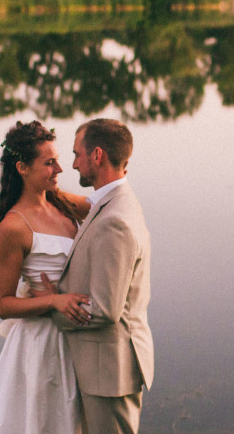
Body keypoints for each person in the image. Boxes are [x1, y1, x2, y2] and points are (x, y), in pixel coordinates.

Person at [0, 120, 93, 434]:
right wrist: (54, 300)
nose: (60, 169)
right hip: (41, 346)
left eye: (57, 160)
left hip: (76, 336)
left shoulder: (62, 203)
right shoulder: (13, 227)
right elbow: (3, 305)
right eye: (49, 162)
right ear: (22, 168)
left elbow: (110, 208)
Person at [43, 118, 154, 434]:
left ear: (97, 155)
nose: (73, 164)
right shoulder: (112, 201)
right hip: (104, 367)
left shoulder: (114, 221)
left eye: (77, 154)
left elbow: (105, 310)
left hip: (110, 372)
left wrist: (50, 306)